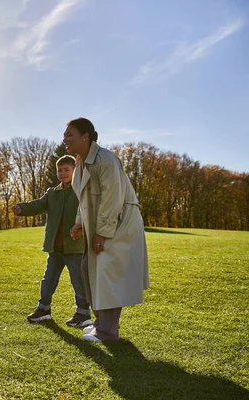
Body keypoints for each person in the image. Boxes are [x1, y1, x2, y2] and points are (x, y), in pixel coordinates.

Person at [64, 117, 149, 342]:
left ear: (85, 136)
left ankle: (108, 331)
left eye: (69, 134)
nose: (65, 139)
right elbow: (84, 199)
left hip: (120, 222)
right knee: (87, 268)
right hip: (102, 223)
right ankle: (100, 323)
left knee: (106, 273)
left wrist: (102, 232)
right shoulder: (80, 163)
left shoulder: (106, 159)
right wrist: (79, 223)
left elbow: (113, 198)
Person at [11, 155, 92, 328]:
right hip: (55, 247)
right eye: (59, 170)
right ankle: (44, 310)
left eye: (66, 170)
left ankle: (83, 313)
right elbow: (38, 205)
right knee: (48, 279)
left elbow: (89, 214)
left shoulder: (81, 191)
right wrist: (22, 208)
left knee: (78, 281)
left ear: (75, 170)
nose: (62, 173)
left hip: (75, 246)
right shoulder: (52, 193)